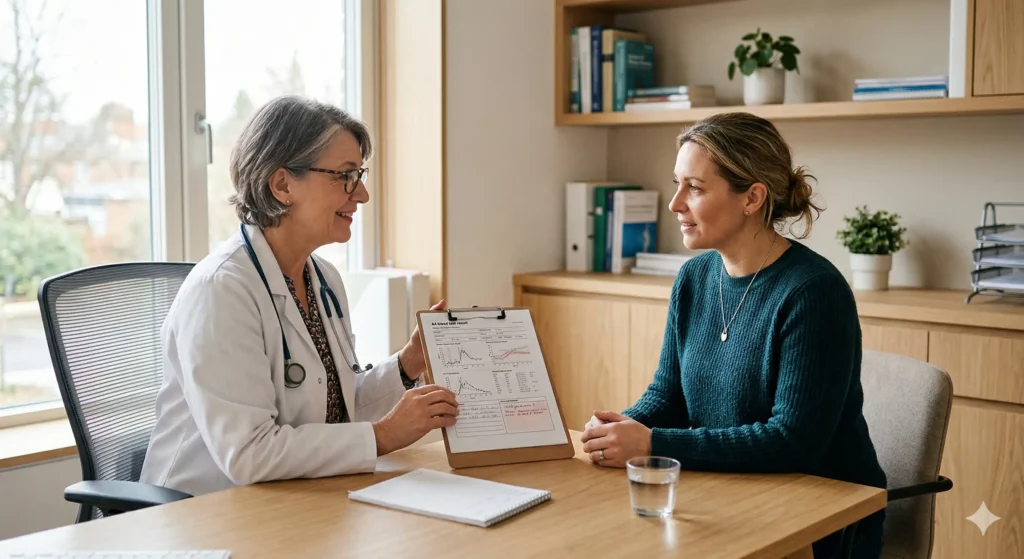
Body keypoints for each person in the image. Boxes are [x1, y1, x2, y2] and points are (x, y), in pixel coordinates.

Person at [579, 112, 887, 558]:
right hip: (732, 495)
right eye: (677, 183)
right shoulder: (693, 278)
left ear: (752, 197)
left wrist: (652, 443)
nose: (675, 203)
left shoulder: (813, 292)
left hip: (824, 523)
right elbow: (669, 397)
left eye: (695, 188)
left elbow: (792, 442)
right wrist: (620, 428)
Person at [140, 96, 459, 496]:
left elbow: (333, 407)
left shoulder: (323, 279)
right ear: (282, 184)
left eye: (358, 175)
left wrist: (406, 366)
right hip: (200, 513)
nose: (361, 194)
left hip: (289, 499)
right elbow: (249, 454)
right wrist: (382, 436)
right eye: (345, 175)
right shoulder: (221, 290)